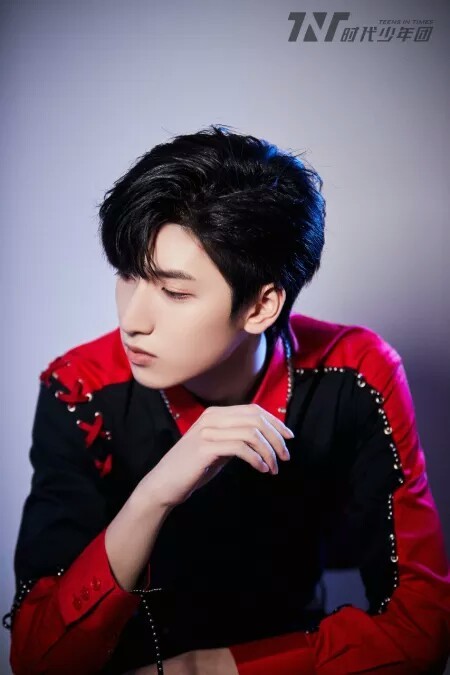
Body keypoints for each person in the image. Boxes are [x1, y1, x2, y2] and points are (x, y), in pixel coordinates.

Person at [3, 124, 449, 675]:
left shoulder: (356, 376)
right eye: (127, 276)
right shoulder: (80, 388)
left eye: (174, 292)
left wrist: (208, 669)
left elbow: (421, 629)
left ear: (261, 306)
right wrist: (152, 498)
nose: (132, 320)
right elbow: (39, 661)